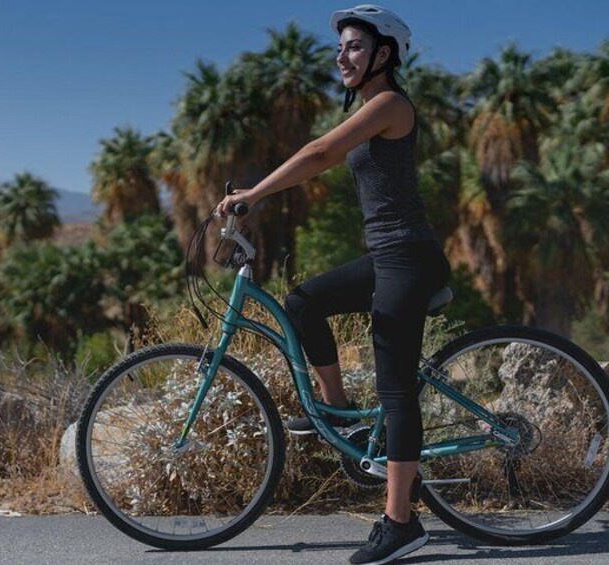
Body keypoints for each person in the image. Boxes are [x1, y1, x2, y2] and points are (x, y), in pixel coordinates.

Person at [215, 5, 450, 564]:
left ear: (384, 55)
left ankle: (402, 522)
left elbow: (320, 152)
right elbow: (321, 155)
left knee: (395, 390)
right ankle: (341, 417)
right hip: (386, 256)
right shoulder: (372, 106)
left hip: (410, 260)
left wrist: (254, 193)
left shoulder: (390, 103)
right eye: (341, 47)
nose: (341, 56)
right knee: (302, 302)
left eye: (353, 47)